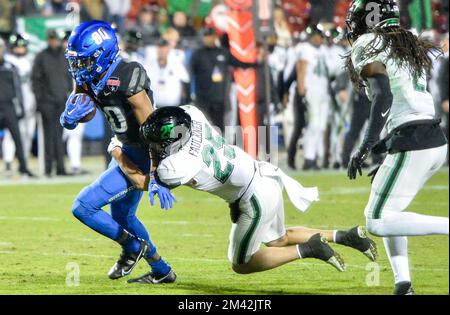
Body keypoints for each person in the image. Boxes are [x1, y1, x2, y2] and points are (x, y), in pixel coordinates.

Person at [107, 105, 379, 281]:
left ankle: (308, 249)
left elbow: (144, 181)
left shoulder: (175, 167)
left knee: (241, 263)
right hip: (263, 175)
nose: (152, 148)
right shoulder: (193, 115)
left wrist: (117, 152)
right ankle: (346, 236)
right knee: (278, 238)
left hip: (252, 198)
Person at [345, 0, 449, 295]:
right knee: (390, 210)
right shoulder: (404, 41)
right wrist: (388, 144)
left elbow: (383, 94)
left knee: (377, 220)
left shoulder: (368, 41)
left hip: (414, 140)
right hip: (428, 138)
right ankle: (403, 285)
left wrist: (366, 144)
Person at [60, 20, 176, 284]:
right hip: (125, 146)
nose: (79, 68)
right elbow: (86, 106)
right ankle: (161, 270)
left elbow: (154, 129)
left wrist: (157, 174)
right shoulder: (89, 75)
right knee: (123, 216)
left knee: (83, 206)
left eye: (85, 61)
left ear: (103, 54)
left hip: (144, 153)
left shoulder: (127, 74)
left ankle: (133, 248)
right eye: (77, 61)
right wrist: (71, 116)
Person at [190, 28, 258, 132]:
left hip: (218, 99)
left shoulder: (223, 52)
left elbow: (239, 63)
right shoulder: (198, 54)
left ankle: (219, 147)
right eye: (205, 36)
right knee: (202, 129)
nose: (207, 39)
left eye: (209, 36)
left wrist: (256, 63)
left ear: (215, 37)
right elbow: (190, 74)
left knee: (219, 129)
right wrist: (192, 93)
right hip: (202, 99)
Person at [31, 29, 71, 177]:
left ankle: (61, 168)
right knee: (48, 136)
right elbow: (35, 79)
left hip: (61, 101)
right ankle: (48, 168)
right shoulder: (41, 56)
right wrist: (40, 100)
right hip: (46, 102)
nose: (53, 41)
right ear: (48, 40)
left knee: (59, 136)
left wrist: (68, 94)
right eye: (51, 39)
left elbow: (68, 77)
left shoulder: (64, 55)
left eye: (55, 39)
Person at [293, 25, 331, 170]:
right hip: (312, 91)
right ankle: (309, 158)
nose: (318, 38)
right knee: (314, 124)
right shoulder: (305, 49)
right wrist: (301, 92)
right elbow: (301, 71)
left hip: (323, 91)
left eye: (319, 35)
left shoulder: (323, 50)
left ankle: (313, 157)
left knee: (321, 126)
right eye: (316, 35)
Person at [3, 33, 36, 176]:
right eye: (18, 46)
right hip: (15, 100)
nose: (21, 49)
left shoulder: (30, 60)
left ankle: (24, 161)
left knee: (28, 132)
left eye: (23, 46)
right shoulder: (8, 61)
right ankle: (9, 161)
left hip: (30, 99)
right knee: (13, 133)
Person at [145, 39, 190, 108]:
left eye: (164, 48)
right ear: (157, 49)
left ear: (168, 49)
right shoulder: (148, 66)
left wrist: (185, 102)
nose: (162, 51)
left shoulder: (176, 65)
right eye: (160, 48)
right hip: (154, 107)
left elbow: (185, 82)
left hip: (173, 107)